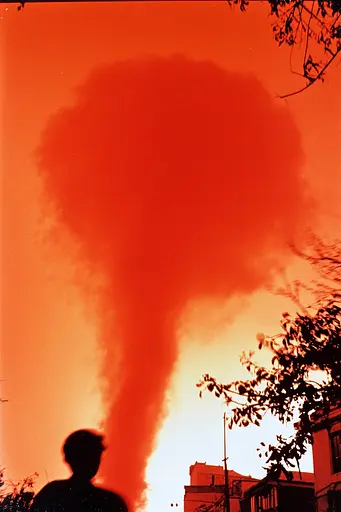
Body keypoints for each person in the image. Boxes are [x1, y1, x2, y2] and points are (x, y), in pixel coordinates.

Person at [30, 429, 128, 512]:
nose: (91, 461)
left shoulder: (51, 493)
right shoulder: (111, 502)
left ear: (67, 458)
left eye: (94, 456)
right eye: (86, 455)